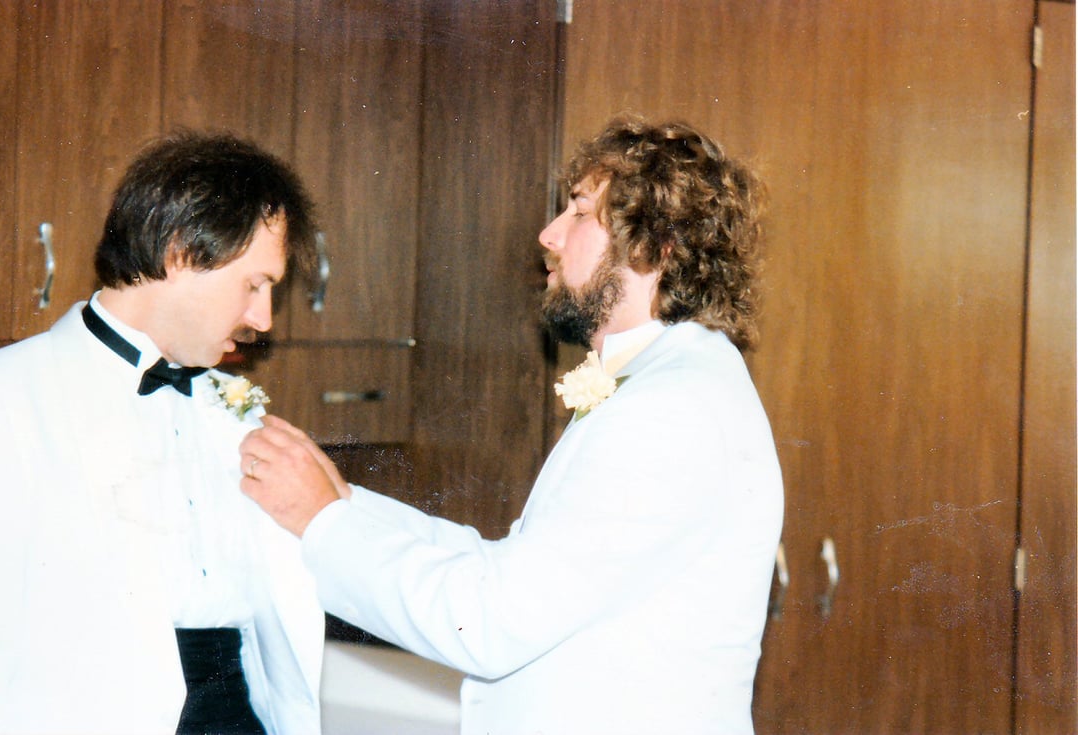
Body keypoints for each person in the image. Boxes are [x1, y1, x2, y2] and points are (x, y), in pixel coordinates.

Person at [240, 116, 784, 734]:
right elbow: (511, 569)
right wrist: (342, 502)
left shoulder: (667, 411)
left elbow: (490, 623)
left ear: (654, 248)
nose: (548, 234)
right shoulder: (674, 382)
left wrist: (321, 522)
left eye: (580, 212)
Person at [0, 132, 325, 734]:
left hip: (239, 712)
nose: (262, 319)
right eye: (254, 285)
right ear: (180, 253)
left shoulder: (232, 410)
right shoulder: (11, 396)